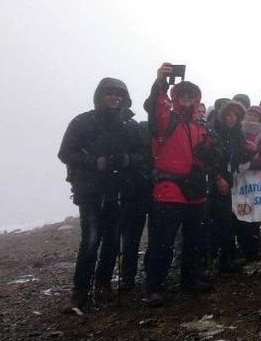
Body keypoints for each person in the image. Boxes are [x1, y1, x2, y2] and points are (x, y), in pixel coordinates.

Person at [58, 77, 143, 310]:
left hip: (117, 191)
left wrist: (126, 159)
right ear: (100, 96)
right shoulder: (82, 122)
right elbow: (65, 153)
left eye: (119, 94)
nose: (114, 98)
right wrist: (94, 162)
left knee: (112, 241)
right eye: (110, 93)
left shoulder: (129, 125)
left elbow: (142, 154)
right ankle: (80, 291)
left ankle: (103, 285)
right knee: (91, 240)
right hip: (90, 192)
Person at [143, 63, 212, 307]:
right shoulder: (166, 120)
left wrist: (210, 153)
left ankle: (190, 279)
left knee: (194, 239)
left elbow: (209, 154)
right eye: (183, 93)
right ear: (175, 96)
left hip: (195, 190)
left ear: (196, 99)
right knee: (163, 241)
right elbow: (155, 106)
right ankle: (155, 287)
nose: (187, 97)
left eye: (191, 94)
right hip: (169, 189)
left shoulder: (201, 126)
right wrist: (160, 83)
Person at [206, 100, 255, 271]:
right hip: (213, 182)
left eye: (235, 115)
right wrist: (218, 177)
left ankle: (226, 260)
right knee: (215, 223)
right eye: (228, 114)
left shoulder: (236, 134)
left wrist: (251, 151)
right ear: (222, 115)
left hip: (228, 180)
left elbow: (239, 158)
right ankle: (212, 260)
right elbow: (208, 158)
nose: (232, 118)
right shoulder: (213, 132)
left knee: (226, 221)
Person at [118, 120, 153, 292]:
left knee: (131, 238)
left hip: (134, 192)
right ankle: (148, 270)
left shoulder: (128, 134)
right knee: (153, 236)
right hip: (147, 191)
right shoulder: (153, 136)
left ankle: (129, 276)